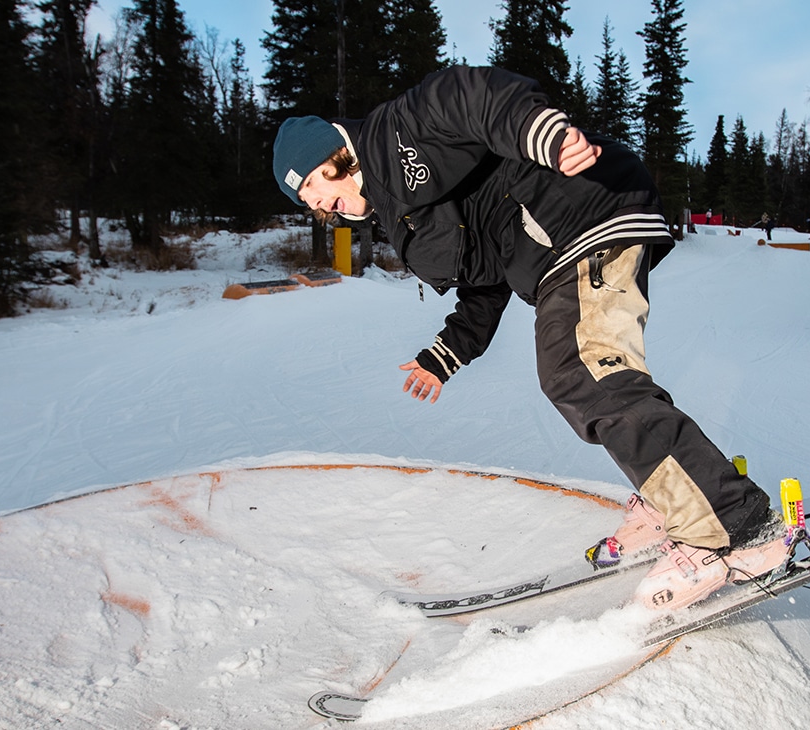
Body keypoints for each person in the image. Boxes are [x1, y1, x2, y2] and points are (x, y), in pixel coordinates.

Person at [272, 66, 784, 612]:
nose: (320, 209)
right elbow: (483, 282)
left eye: (312, 189)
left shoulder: (389, 136)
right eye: (307, 205)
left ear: (332, 156)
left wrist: (543, 132)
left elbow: (472, 98)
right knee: (593, 373)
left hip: (581, 214)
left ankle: (731, 523)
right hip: (557, 250)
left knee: (580, 372)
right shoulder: (402, 219)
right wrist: (444, 355)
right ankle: (675, 501)